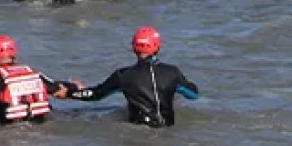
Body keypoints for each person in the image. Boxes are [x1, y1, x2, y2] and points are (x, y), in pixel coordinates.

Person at [71, 27, 199, 128]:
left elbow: (96, 94)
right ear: (157, 47)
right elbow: (193, 95)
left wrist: (73, 92)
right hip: (167, 133)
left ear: (134, 48)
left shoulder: (123, 76)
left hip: (138, 132)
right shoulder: (172, 72)